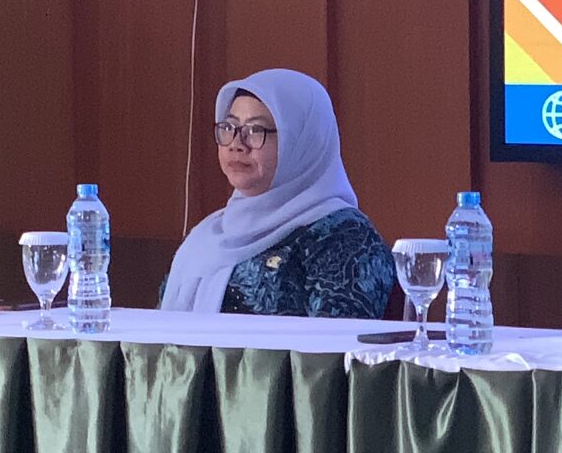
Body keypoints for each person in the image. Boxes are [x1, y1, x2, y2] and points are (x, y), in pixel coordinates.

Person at [159, 69, 393, 316]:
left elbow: (338, 338)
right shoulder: (206, 236)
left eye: (256, 130)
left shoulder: (345, 237)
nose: (236, 144)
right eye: (229, 127)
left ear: (303, 141)